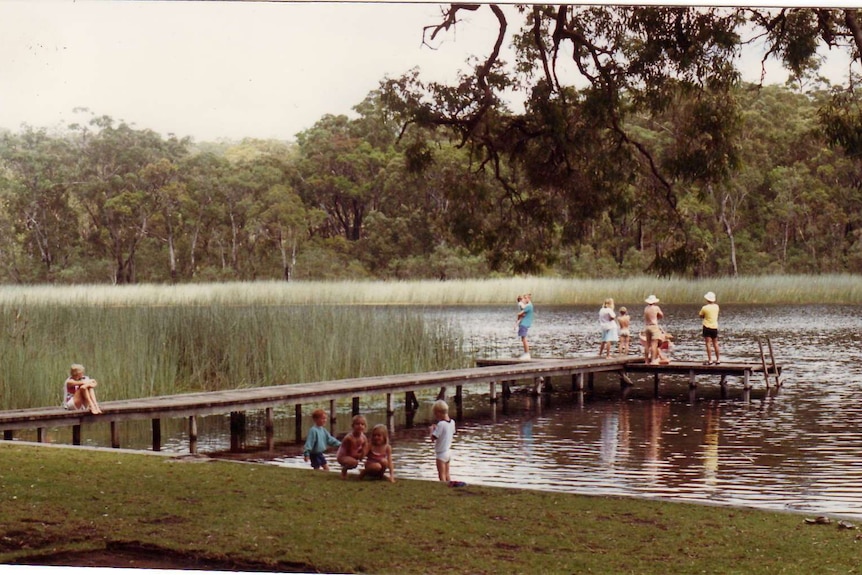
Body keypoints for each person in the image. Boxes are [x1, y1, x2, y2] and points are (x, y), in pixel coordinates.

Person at [430, 399, 456, 483]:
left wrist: (431, 430)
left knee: (441, 475)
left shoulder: (441, 424)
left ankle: (443, 488)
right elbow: (451, 432)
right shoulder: (452, 422)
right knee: (447, 473)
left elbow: (433, 438)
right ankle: (450, 486)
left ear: (438, 413)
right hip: (448, 451)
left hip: (441, 453)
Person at [336, 414, 368, 479]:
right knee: (354, 463)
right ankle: (344, 471)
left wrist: (365, 452)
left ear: (365, 426)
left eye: (362, 424)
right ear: (353, 426)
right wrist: (361, 456)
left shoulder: (363, 437)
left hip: (352, 455)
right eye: (357, 424)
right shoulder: (349, 438)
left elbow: (366, 446)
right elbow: (352, 453)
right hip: (343, 456)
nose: (360, 426)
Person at [699, 291, 721, 365]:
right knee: (715, 343)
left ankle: (710, 360)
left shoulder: (705, 308)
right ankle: (718, 359)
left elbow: (701, 315)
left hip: (707, 326)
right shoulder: (716, 307)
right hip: (714, 327)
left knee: (708, 343)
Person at [643, 295, 664, 365]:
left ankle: (646, 361)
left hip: (647, 327)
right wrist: (657, 316)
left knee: (647, 344)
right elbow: (661, 315)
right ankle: (653, 360)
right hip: (654, 326)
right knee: (654, 344)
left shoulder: (646, 308)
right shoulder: (656, 308)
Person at [516, 293, 534, 359]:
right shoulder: (529, 306)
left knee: (524, 339)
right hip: (525, 323)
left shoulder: (528, 306)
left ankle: (527, 354)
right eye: (524, 298)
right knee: (523, 338)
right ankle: (526, 353)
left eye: (525, 298)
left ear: (528, 299)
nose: (524, 299)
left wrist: (517, 320)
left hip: (524, 323)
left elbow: (520, 314)